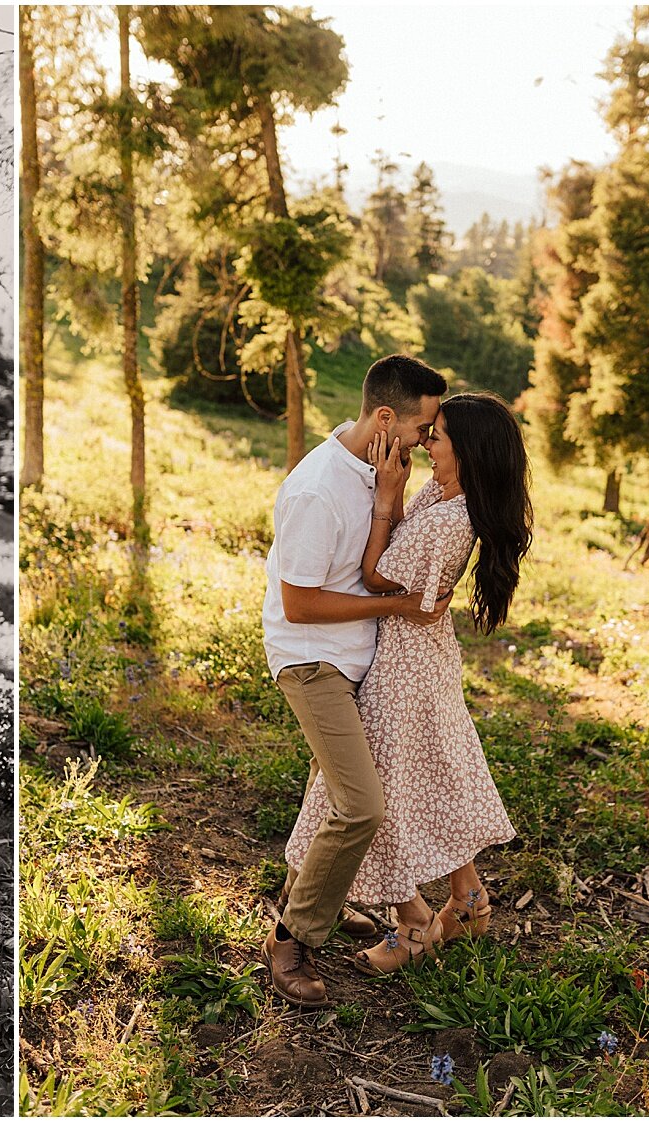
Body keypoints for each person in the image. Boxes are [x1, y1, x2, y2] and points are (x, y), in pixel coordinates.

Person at [285, 392, 530, 976]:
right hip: (418, 654)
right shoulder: (444, 494)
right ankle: (466, 899)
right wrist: (399, 500)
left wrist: (384, 502)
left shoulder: (450, 519)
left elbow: (376, 578)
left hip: (404, 666)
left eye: (437, 437)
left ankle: (412, 923)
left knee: (386, 793)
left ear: (465, 453)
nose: (426, 443)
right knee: (435, 774)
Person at [260, 354, 450, 1010]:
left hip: (358, 659)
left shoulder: (378, 471)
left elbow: (378, 561)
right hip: (313, 661)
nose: (427, 442)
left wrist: (390, 504)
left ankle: (317, 895)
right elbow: (300, 606)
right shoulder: (319, 490)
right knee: (362, 805)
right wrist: (396, 608)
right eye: (422, 429)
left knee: (338, 791)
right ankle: (292, 938)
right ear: (385, 417)